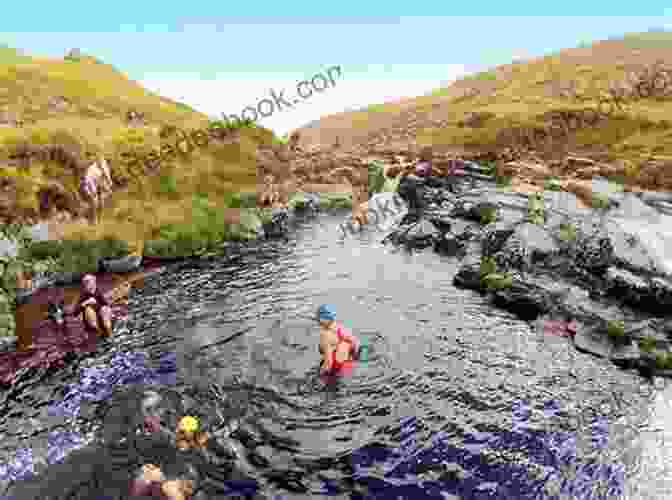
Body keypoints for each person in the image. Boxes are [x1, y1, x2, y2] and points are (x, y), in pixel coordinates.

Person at [317, 304, 360, 377]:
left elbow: (328, 364)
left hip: (337, 370)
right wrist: (353, 357)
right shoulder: (341, 329)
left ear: (323, 319)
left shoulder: (325, 336)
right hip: (349, 366)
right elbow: (356, 343)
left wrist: (319, 375)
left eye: (318, 318)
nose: (317, 321)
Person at [71, 273, 113, 338]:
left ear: (94, 282)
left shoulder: (97, 292)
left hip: (101, 318)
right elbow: (75, 312)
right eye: (85, 282)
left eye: (88, 281)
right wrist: (86, 302)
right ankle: (99, 332)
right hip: (91, 322)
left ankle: (109, 333)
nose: (86, 284)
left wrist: (104, 308)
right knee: (88, 310)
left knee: (105, 309)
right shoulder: (83, 295)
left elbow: (105, 304)